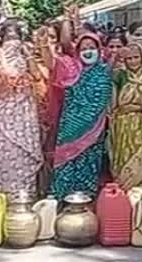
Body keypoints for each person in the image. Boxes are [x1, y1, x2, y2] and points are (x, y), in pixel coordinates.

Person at [46, 32, 113, 200]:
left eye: (92, 48)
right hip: (70, 127)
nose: (88, 52)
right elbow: (54, 58)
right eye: (83, 48)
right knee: (65, 162)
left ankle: (85, 202)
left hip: (94, 131)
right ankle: (60, 199)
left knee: (88, 163)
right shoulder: (70, 70)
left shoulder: (105, 71)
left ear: (99, 50)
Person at [0, 20, 44, 194]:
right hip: (1, 112)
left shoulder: (25, 54)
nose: (12, 41)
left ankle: (24, 194)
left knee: (23, 155)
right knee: (3, 152)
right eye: (8, 36)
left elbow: (37, 75)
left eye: (16, 36)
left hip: (23, 111)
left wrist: (28, 54)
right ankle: (2, 193)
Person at [109, 42, 142, 191]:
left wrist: (135, 108)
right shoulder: (120, 76)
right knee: (124, 163)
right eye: (129, 59)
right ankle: (121, 199)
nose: (132, 61)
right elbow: (114, 106)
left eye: (136, 57)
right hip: (123, 129)